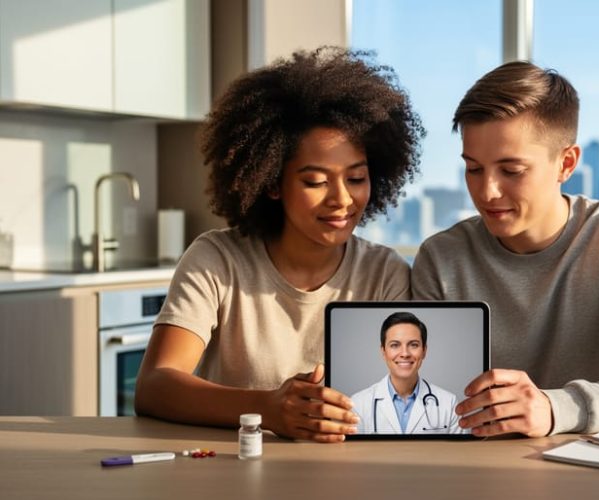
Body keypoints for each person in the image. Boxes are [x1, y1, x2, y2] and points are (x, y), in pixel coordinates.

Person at [135, 47, 425, 443]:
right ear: (271, 181)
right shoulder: (217, 260)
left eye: (356, 178)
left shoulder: (384, 273)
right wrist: (268, 409)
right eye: (315, 181)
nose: (341, 199)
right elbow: (154, 385)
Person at [411, 61, 599, 438]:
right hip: (477, 472)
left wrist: (555, 408)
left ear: (566, 163)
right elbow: (425, 402)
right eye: (474, 169)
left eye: (512, 170)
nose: (487, 191)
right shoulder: (441, 258)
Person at [350, 312, 462, 434]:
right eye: (395, 345)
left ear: (424, 351)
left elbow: (461, 452)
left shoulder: (449, 403)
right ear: (383, 351)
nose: (405, 353)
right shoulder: (359, 404)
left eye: (413, 345)